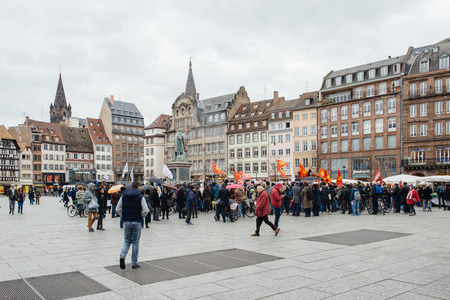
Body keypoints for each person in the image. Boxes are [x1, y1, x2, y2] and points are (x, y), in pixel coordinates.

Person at [117, 181, 149, 269]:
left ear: (131, 186)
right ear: (138, 187)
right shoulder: (140, 196)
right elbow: (146, 210)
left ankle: (122, 256)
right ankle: (134, 263)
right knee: (135, 242)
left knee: (126, 240)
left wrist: (123, 216)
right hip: (137, 221)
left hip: (127, 221)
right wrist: (141, 216)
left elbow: (118, 209)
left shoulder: (124, 195)